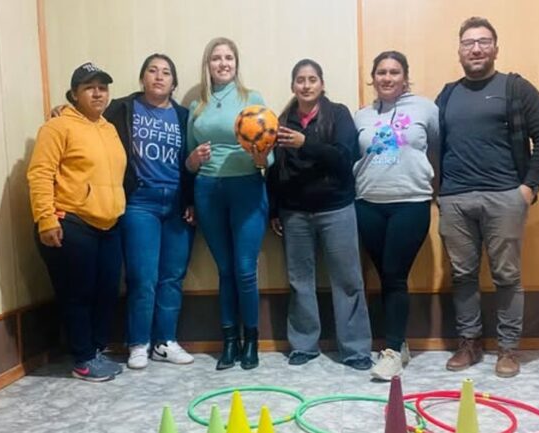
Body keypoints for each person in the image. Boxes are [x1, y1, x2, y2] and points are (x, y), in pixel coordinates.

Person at [435, 17, 539, 378]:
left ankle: (508, 349)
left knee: (507, 276)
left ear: (495, 48)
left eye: (483, 42)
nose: (476, 49)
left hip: (505, 197)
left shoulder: (516, 88)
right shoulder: (447, 95)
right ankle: (469, 344)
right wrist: (439, 192)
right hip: (455, 199)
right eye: (468, 43)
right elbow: (433, 145)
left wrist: (528, 188)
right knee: (462, 275)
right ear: (459, 51)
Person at [267, 59, 372, 371]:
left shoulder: (338, 114)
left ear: (322, 84)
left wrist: (305, 143)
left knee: (348, 280)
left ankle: (355, 349)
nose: (306, 85)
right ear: (293, 86)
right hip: (294, 213)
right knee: (300, 280)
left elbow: (344, 158)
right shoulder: (282, 120)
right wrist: (275, 209)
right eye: (300, 80)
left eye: (312, 79)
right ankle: (303, 345)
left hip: (336, 208)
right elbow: (275, 170)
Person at [28, 62, 126, 382]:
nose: (98, 93)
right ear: (74, 94)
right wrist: (46, 219)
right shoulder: (57, 127)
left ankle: (95, 351)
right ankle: (82, 359)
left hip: (108, 224)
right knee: (77, 294)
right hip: (70, 221)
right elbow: (40, 173)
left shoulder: (109, 128)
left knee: (106, 291)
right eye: (89, 88)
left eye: (103, 87)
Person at [102, 54, 196, 369]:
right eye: (152, 71)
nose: (159, 76)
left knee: (172, 276)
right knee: (143, 277)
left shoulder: (183, 116)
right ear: (143, 78)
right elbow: (90, 121)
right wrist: (63, 111)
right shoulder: (122, 108)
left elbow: (192, 162)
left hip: (177, 204)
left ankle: (165, 342)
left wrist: (191, 201)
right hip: (139, 202)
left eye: (166, 72)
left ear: (174, 82)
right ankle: (139, 343)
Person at [185, 37, 273, 370]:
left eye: (228, 58)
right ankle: (230, 342)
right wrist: (193, 159)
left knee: (245, 270)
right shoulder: (197, 105)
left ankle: (251, 341)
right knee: (224, 270)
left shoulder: (252, 99)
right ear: (207, 65)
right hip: (207, 190)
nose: (223, 63)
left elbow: (269, 155)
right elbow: (188, 160)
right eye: (216, 58)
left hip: (247, 188)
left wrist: (262, 158)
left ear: (236, 63)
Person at [353, 51, 439, 380]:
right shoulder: (361, 116)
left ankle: (390, 351)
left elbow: (438, 149)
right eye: (381, 72)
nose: (387, 78)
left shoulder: (426, 109)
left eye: (394, 72)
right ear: (373, 78)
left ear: (405, 77)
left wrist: (437, 190)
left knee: (394, 273)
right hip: (368, 203)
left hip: (411, 202)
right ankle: (398, 343)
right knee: (385, 276)